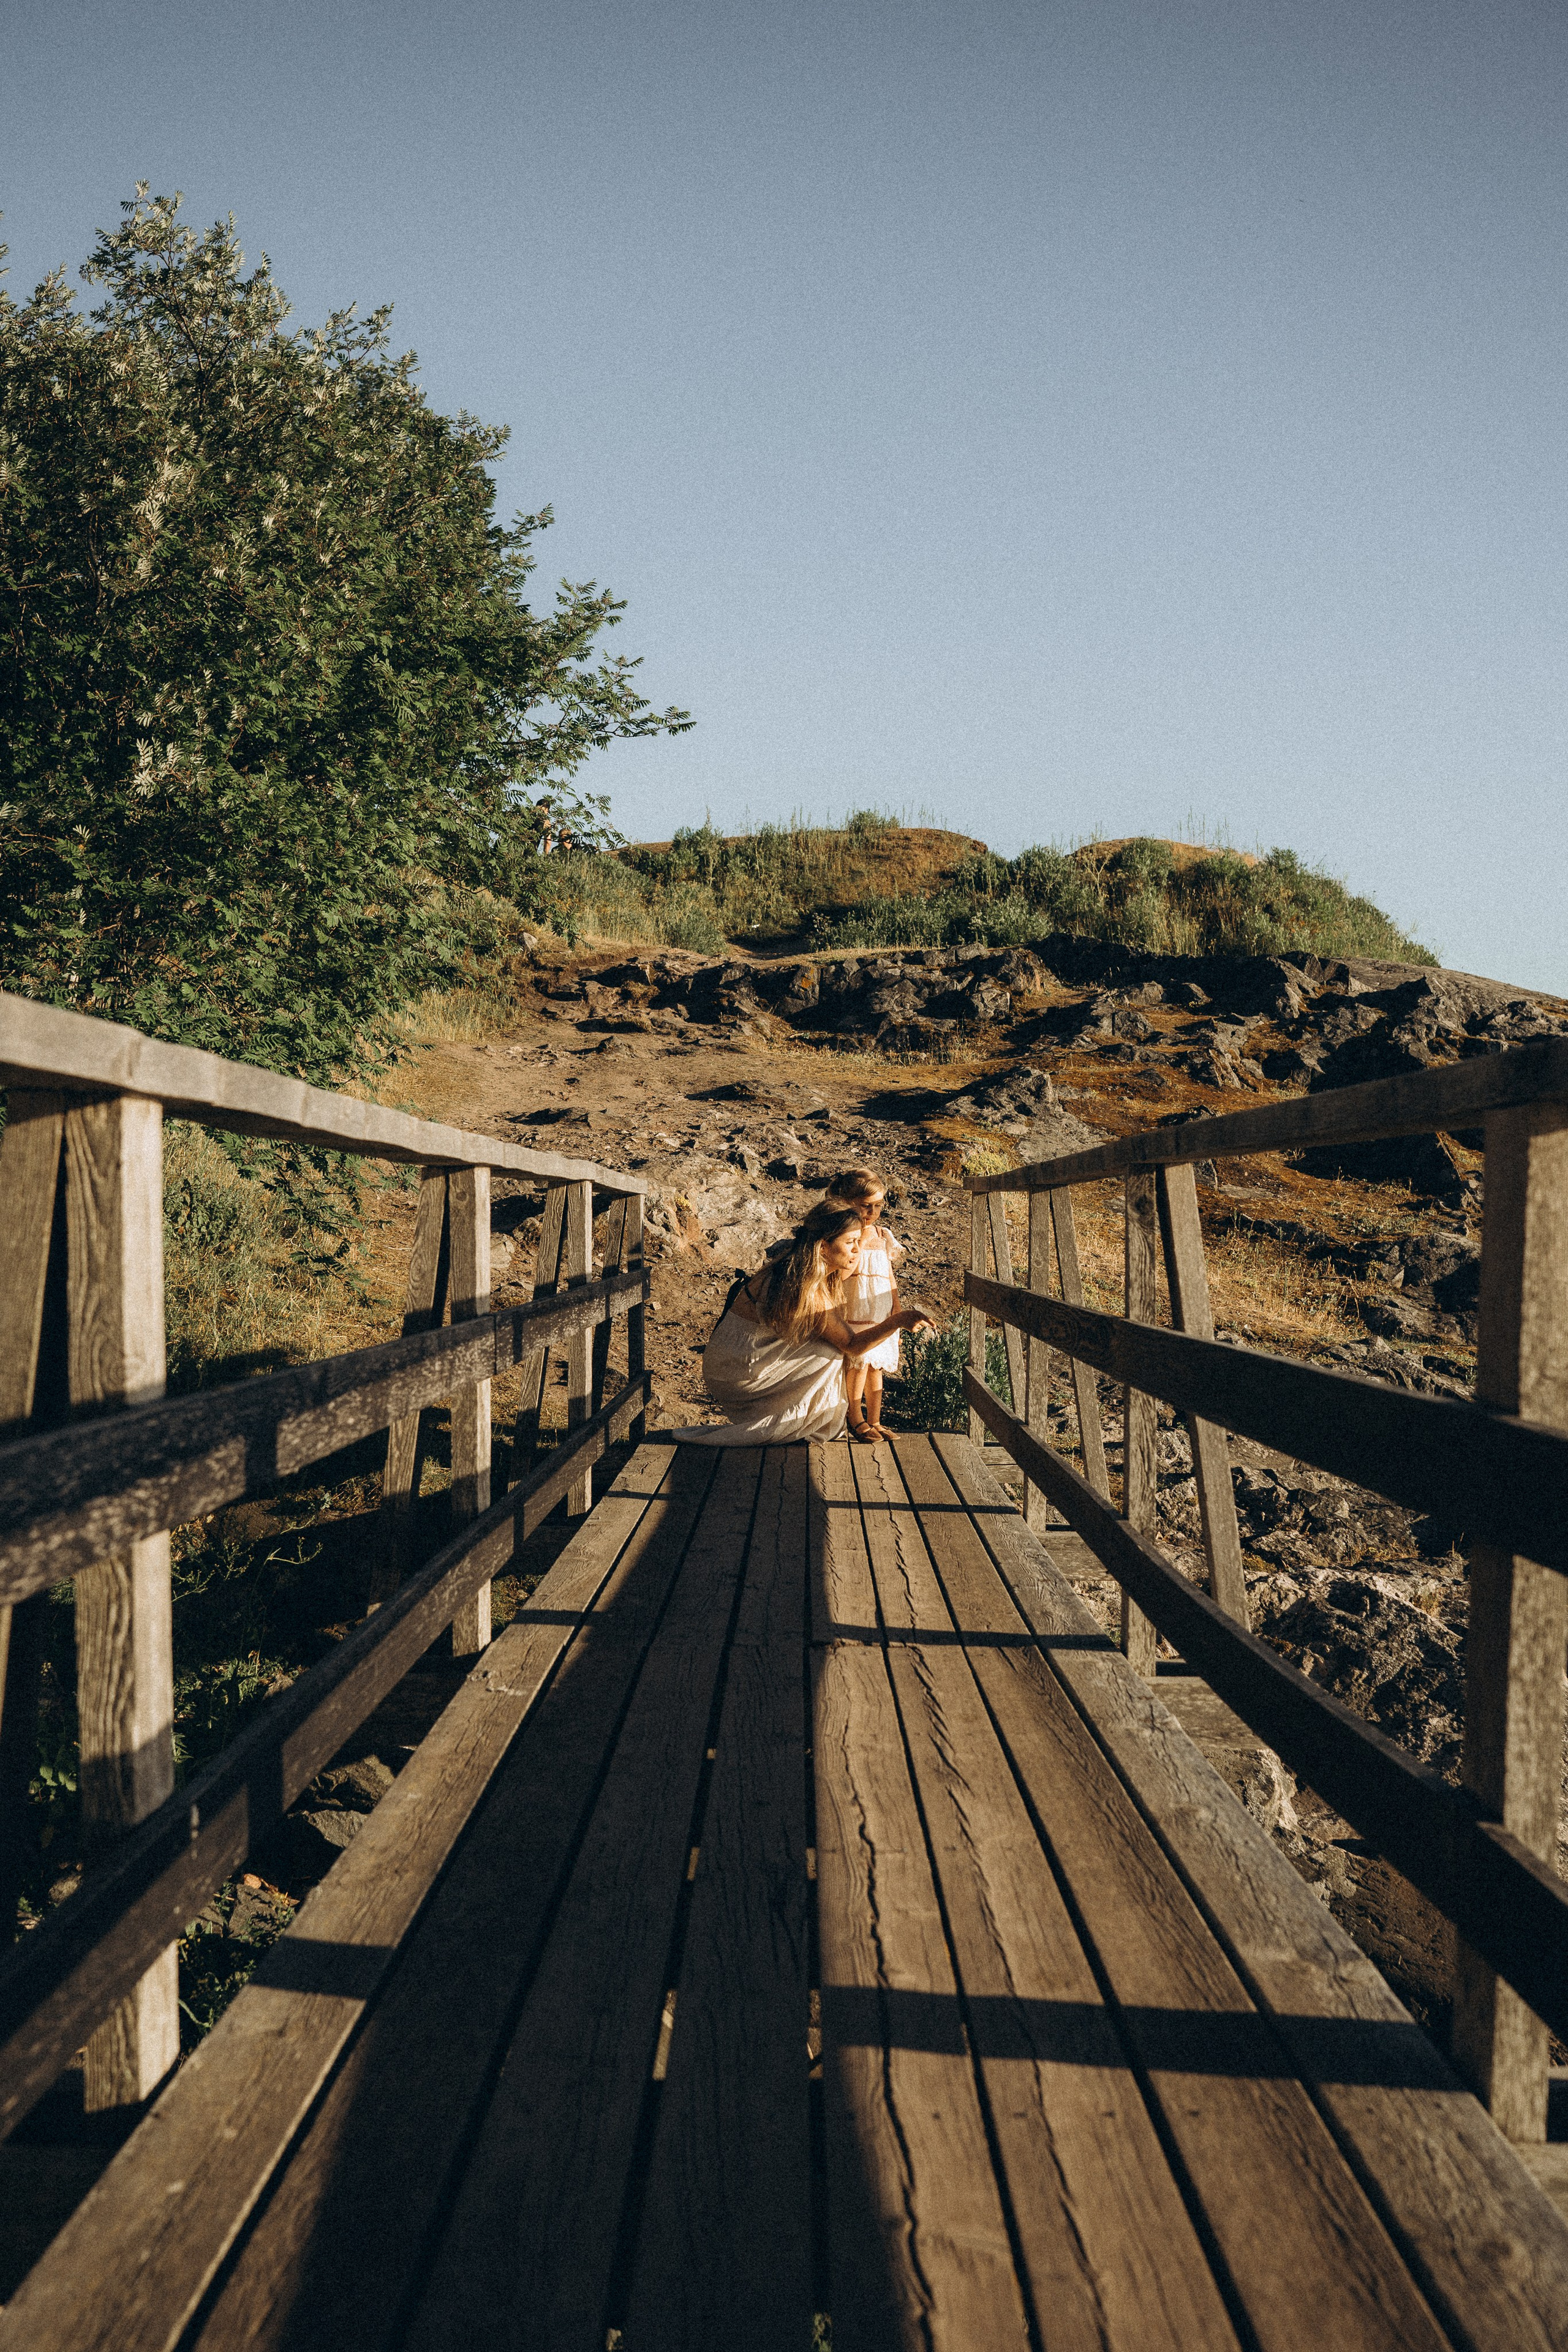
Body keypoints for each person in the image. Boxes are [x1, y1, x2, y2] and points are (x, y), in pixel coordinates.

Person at [679, 1202, 932, 1446]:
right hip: (737, 1368)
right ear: (823, 1248)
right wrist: (898, 1320)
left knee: (828, 1349)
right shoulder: (807, 1287)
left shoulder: (800, 1265)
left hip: (733, 1357)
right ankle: (799, 1425)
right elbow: (853, 1345)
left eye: (859, 1241)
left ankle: (802, 1421)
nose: (858, 1249)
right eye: (850, 1242)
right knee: (833, 1353)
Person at [826, 1168, 904, 1442]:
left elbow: (889, 1275)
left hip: (879, 1308)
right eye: (865, 1206)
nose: (871, 1212)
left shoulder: (882, 1234)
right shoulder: (848, 1235)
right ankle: (855, 1419)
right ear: (848, 1203)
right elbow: (842, 1274)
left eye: (878, 1206)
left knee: (876, 1367)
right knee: (857, 1364)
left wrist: (896, 1306)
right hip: (856, 1307)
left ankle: (875, 1419)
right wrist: (856, 1243)